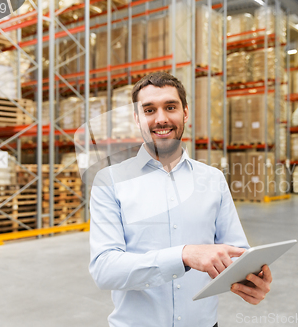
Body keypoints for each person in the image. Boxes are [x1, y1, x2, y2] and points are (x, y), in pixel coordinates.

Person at [89, 72, 272, 327]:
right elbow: (105, 270)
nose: (161, 118)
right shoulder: (110, 181)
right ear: (137, 118)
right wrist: (183, 255)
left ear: (185, 113)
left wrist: (252, 280)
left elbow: (237, 252)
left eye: (170, 107)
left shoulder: (213, 179)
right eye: (149, 110)